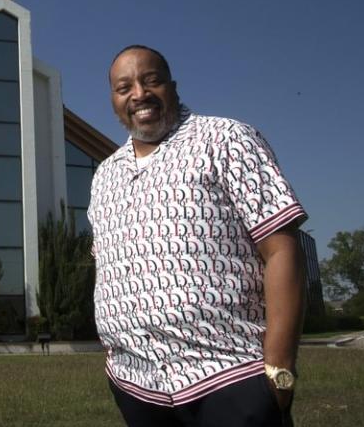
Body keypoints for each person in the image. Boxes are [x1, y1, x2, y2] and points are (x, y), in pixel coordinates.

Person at [89, 45, 307, 427]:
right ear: (113, 100)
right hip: (137, 382)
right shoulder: (105, 174)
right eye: (124, 88)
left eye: (151, 80)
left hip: (230, 374)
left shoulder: (227, 139)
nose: (139, 94)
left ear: (172, 86)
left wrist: (279, 368)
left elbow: (282, 250)